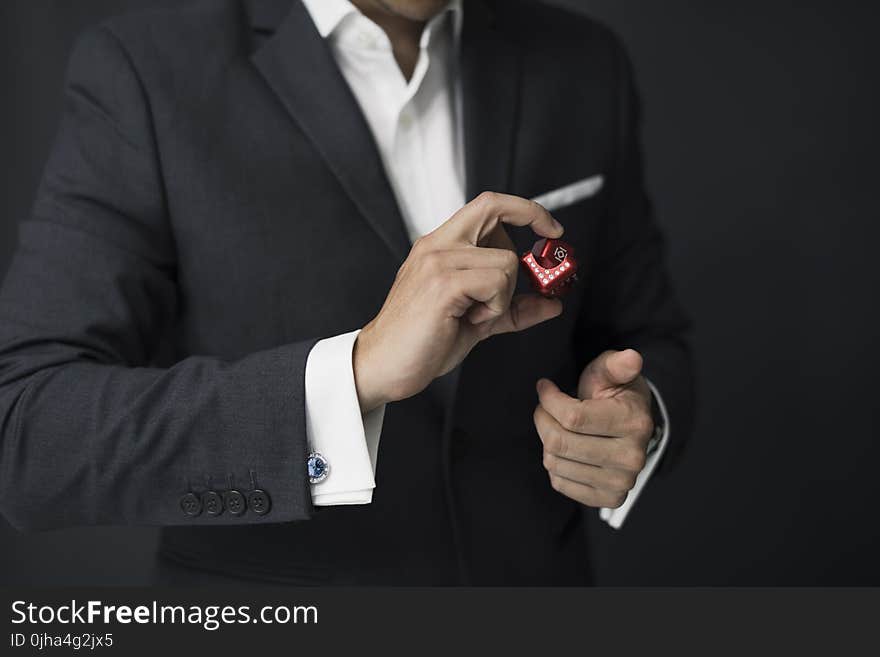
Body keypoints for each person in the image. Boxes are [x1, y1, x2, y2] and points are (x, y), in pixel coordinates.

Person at [0, 0, 693, 585]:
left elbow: (650, 337)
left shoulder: (583, 59)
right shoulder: (144, 70)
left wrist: (639, 415)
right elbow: (26, 429)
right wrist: (354, 373)